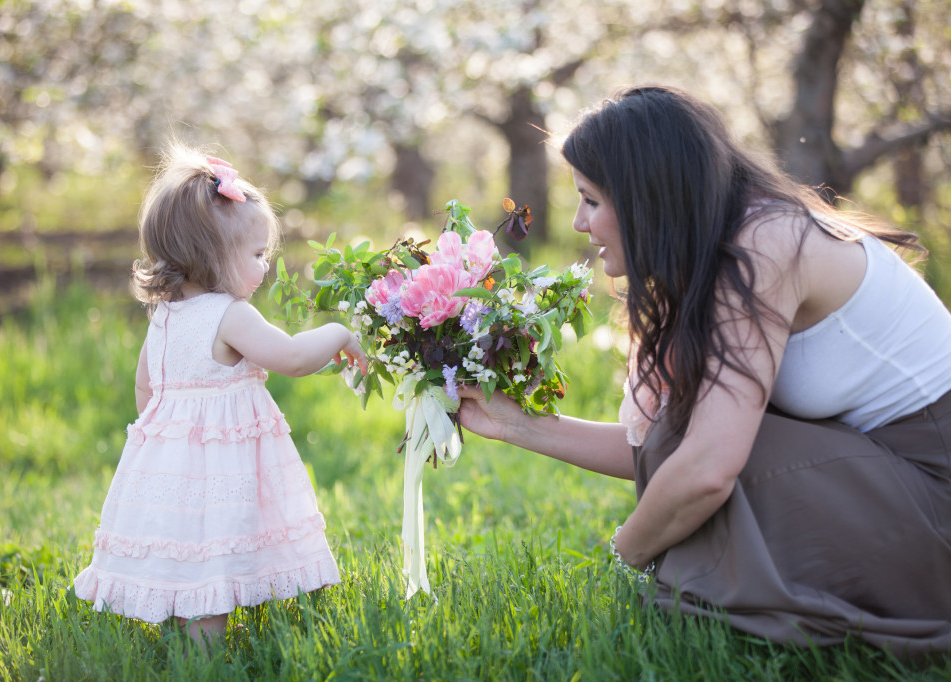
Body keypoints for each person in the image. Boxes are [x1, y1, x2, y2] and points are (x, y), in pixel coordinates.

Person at [457, 85, 951, 656]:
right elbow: (666, 446)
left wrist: (625, 559)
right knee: (684, 440)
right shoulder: (725, 248)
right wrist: (516, 424)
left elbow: (707, 467)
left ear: (648, 196)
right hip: (886, 478)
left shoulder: (767, 244)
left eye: (591, 200)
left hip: (933, 488)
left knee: (694, 476)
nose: (577, 223)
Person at [73, 143, 367, 651]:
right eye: (256, 256)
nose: (264, 268)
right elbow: (293, 358)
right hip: (227, 468)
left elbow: (147, 388)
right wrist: (339, 333)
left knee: (190, 545)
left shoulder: (164, 318)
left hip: (172, 467)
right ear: (210, 256)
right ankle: (208, 654)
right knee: (223, 543)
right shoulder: (231, 315)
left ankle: (184, 631)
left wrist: (170, 443)